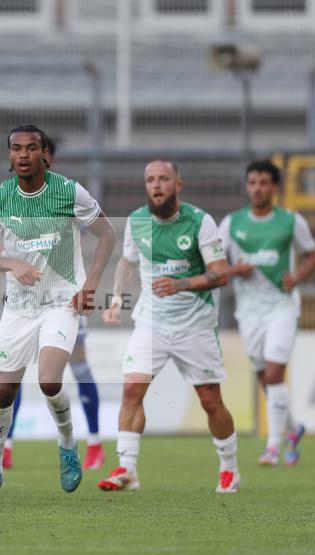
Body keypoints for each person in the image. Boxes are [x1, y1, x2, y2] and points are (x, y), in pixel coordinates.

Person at [0, 125, 116, 500]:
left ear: (43, 154)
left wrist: (91, 283)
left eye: (31, 148)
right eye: (15, 148)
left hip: (61, 301)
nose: (23, 155)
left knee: (49, 380)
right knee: (3, 392)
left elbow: (107, 235)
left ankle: (67, 446)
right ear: (9, 155)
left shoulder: (70, 192)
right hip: (19, 307)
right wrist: (11, 264)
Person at [98, 160, 240, 493]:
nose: (157, 185)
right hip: (151, 323)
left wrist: (182, 284)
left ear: (178, 184)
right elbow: (127, 262)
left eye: (164, 179)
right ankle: (127, 468)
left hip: (195, 326)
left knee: (210, 401)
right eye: (150, 180)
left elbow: (221, 272)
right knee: (132, 389)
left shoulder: (200, 222)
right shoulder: (136, 221)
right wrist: (117, 299)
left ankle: (229, 468)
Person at [219, 160, 315, 467]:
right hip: (249, 312)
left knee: (275, 374)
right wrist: (237, 270)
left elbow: (312, 255)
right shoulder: (231, 224)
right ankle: (293, 429)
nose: (257, 188)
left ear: (274, 187)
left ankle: (273, 446)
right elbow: (216, 266)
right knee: (265, 378)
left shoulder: (290, 221)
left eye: (263, 182)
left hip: (282, 306)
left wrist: (298, 277)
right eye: (252, 183)